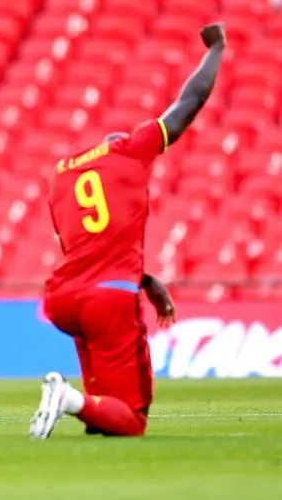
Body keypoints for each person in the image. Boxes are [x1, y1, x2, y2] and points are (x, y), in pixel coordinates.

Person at [30, 23, 226, 439]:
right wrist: (216, 49)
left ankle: (84, 408)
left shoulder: (61, 175)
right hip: (109, 300)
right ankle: (67, 398)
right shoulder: (132, 150)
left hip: (63, 298)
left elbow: (80, 246)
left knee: (108, 414)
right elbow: (191, 100)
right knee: (133, 418)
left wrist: (147, 279)